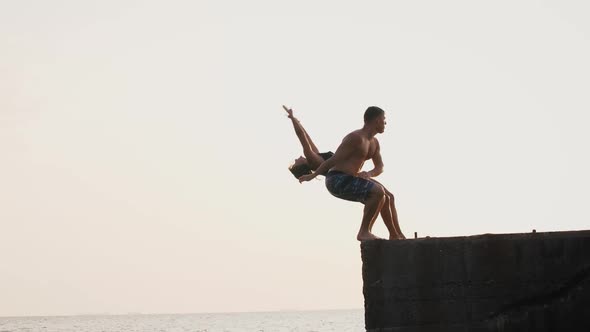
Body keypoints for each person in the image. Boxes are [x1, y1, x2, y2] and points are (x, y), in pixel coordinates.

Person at [287, 105, 405, 241]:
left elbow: (380, 166)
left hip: (350, 177)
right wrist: (312, 175)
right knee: (378, 192)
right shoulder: (315, 159)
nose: (297, 158)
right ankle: (364, 232)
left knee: (388, 196)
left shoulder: (373, 142)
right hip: (338, 179)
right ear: (377, 120)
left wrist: (369, 173)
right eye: (383, 119)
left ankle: (396, 234)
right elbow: (306, 140)